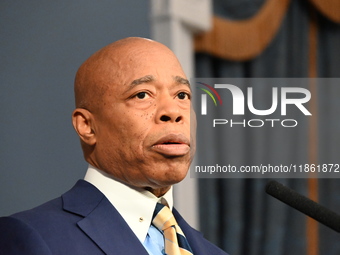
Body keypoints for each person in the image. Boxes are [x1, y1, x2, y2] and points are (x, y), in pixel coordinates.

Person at [0, 37, 228, 255]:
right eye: (142, 95)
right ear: (87, 125)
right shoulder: (33, 236)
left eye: (182, 95)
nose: (173, 112)